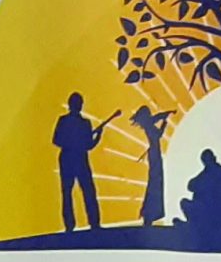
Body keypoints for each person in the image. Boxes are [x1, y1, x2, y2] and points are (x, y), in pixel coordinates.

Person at [51, 90, 118, 233]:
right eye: (77, 103)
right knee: (67, 192)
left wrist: (98, 136)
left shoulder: (85, 123)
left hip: (80, 158)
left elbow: (89, 145)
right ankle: (69, 225)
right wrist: (72, 142)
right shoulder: (64, 120)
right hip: (69, 158)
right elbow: (56, 140)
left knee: (88, 190)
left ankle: (94, 223)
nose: (78, 106)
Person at [127, 102, 172, 226]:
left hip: (154, 153)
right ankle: (149, 213)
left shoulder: (149, 124)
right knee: (155, 183)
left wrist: (164, 118)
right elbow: (158, 134)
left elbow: (157, 122)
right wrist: (164, 120)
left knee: (155, 183)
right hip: (154, 154)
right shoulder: (149, 125)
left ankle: (149, 213)